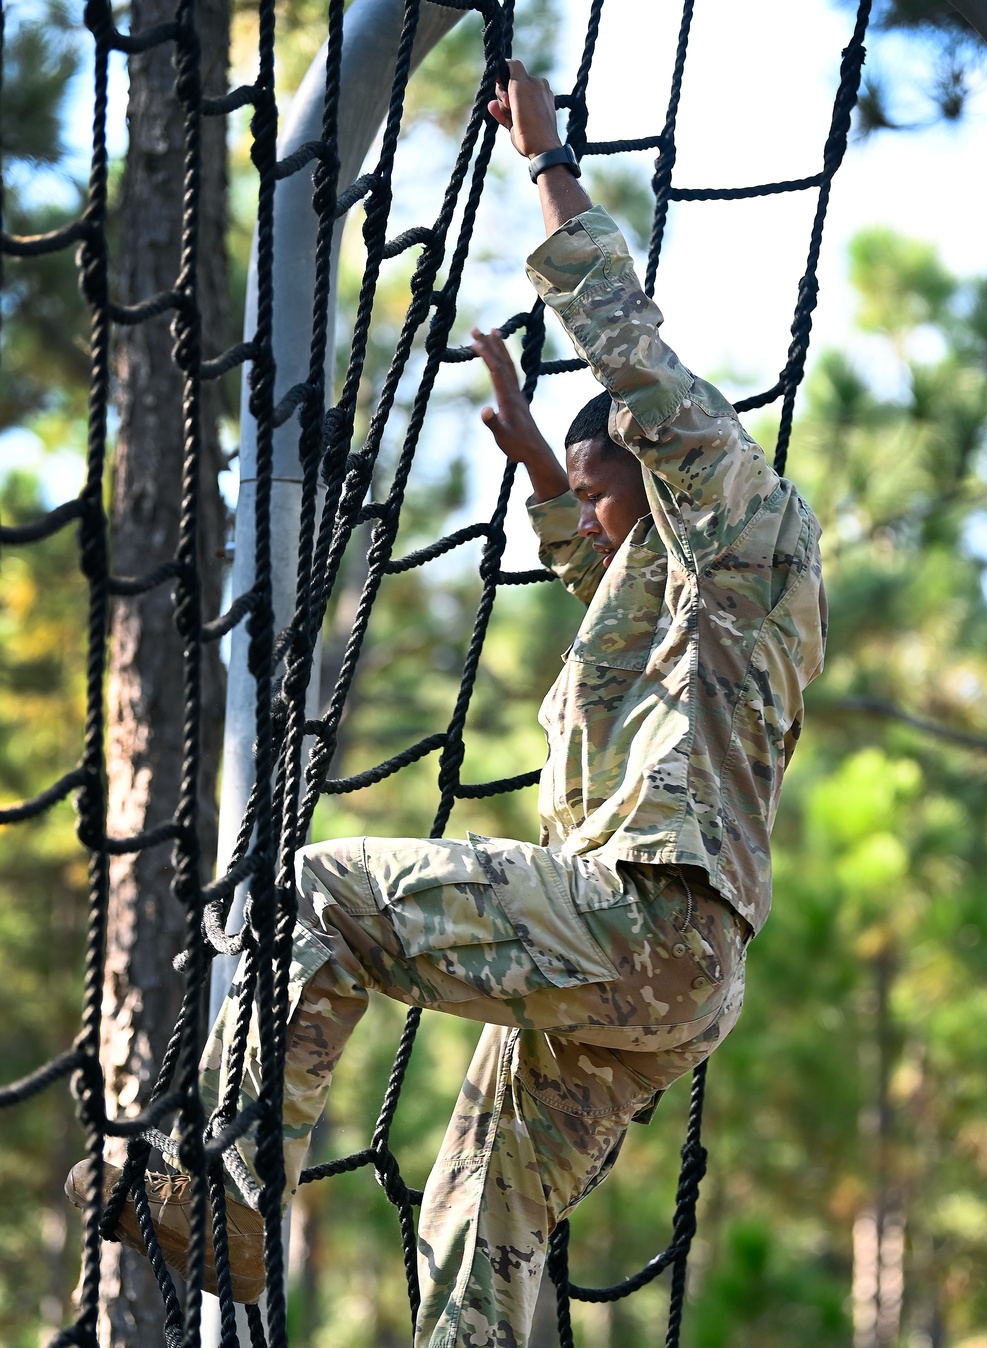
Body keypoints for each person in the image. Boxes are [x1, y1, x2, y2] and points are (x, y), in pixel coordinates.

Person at [67, 61, 826, 1347]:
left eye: (600, 490)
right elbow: (632, 610)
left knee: (318, 891)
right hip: (668, 975)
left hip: (644, 918)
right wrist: (545, 476)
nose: (586, 521)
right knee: (478, 1210)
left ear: (654, 466)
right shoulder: (709, 588)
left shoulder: (738, 499)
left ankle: (237, 1190)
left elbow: (630, 349)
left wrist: (545, 164)